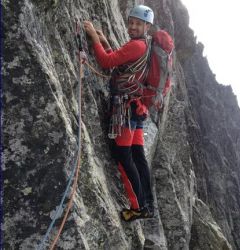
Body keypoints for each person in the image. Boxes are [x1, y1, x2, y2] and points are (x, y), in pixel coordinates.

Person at [83, 5, 154, 221]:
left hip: (126, 109)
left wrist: (93, 37)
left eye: (137, 24)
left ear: (146, 26)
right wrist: (104, 42)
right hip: (137, 108)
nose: (132, 26)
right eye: (131, 22)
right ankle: (148, 203)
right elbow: (123, 62)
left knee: (123, 157)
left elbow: (106, 62)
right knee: (138, 157)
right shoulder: (146, 44)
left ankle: (137, 208)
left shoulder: (136, 46)